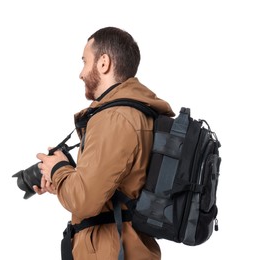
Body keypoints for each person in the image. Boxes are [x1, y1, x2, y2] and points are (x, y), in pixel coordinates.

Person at [34, 26, 174, 260]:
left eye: (84, 61)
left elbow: (85, 201)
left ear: (104, 63)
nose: (81, 73)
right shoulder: (140, 112)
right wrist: (61, 180)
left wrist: (57, 169)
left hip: (110, 252)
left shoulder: (113, 117)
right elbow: (115, 186)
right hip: (129, 247)